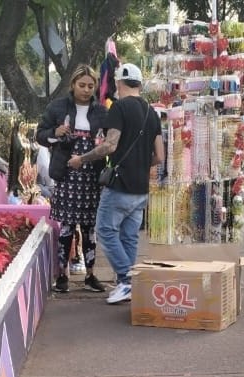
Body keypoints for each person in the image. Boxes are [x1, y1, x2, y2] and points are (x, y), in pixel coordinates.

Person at [72, 62, 164, 305]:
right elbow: (160, 156)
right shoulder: (151, 112)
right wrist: (141, 164)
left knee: (105, 230)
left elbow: (110, 145)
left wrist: (82, 159)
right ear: (140, 84)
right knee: (129, 236)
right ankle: (127, 284)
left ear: (119, 83)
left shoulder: (119, 108)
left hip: (120, 185)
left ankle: (126, 280)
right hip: (141, 188)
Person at [37, 64, 110, 293]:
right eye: (82, 85)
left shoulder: (101, 112)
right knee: (67, 227)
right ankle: (62, 276)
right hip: (67, 174)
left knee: (89, 228)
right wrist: (54, 134)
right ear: (73, 85)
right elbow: (40, 135)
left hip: (91, 176)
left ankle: (90, 274)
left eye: (90, 86)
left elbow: (109, 140)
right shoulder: (57, 107)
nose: (86, 90)